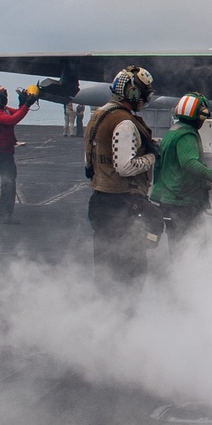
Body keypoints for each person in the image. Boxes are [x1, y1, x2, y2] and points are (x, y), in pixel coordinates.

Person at [84, 66, 157, 290]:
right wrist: (152, 157)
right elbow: (125, 167)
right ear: (133, 93)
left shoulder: (97, 116)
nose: (146, 97)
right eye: (144, 92)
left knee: (106, 270)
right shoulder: (124, 123)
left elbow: (89, 164)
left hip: (100, 202)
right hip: (123, 206)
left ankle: (107, 317)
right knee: (130, 272)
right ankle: (126, 317)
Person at [150, 92, 212, 245]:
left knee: (178, 249)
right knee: (193, 248)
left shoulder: (173, 131)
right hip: (182, 204)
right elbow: (189, 163)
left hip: (170, 200)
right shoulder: (187, 135)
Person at [0, 84, 38, 223]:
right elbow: (13, 120)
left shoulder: (0, 109)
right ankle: (1, 215)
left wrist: (23, 103)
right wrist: (27, 104)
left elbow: (16, 113)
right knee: (4, 184)